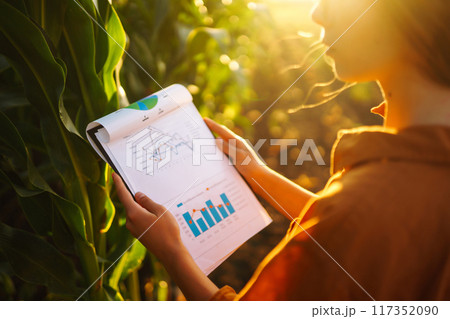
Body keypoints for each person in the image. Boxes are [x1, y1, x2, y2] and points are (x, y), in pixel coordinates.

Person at [112, 0, 450, 300]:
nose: (317, 12)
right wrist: (259, 175)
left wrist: (173, 252)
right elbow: (367, 241)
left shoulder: (363, 206)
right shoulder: (406, 187)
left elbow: (351, 227)